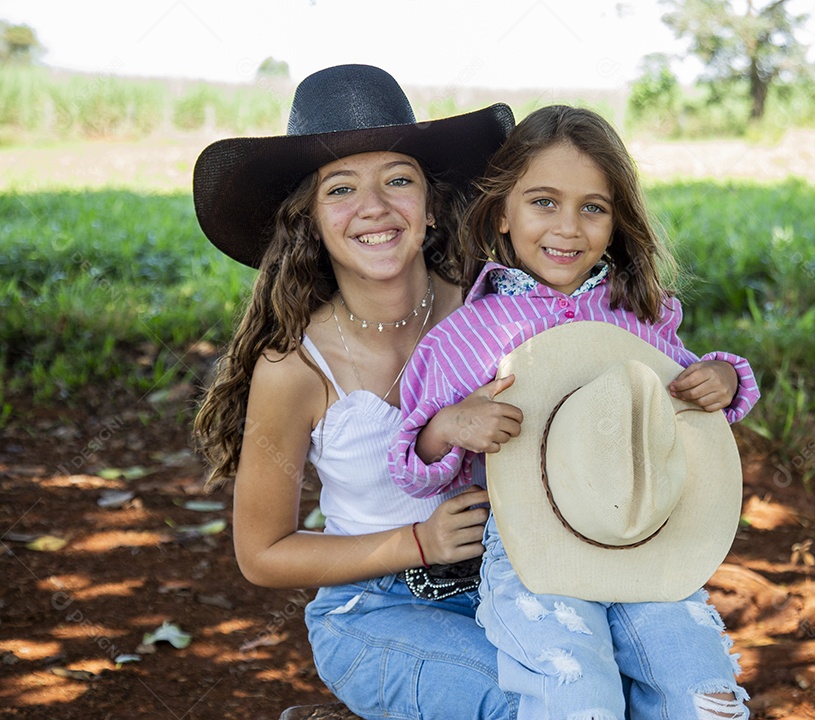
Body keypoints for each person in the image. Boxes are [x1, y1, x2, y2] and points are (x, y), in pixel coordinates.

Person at [390, 105, 757, 719]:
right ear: (502, 213)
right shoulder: (466, 336)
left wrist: (723, 377)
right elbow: (410, 466)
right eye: (543, 202)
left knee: (702, 690)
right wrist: (450, 426)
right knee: (576, 690)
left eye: (593, 207)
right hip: (528, 550)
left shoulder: (638, 314)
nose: (568, 227)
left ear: (616, 223)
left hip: (642, 533)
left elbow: (687, 396)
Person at [191, 64, 520, 719]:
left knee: (632, 691)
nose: (374, 207)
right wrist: (416, 543)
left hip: (515, 587)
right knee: (527, 701)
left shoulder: (495, 311)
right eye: (341, 189)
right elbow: (262, 554)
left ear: (431, 206)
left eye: (398, 179)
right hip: (373, 608)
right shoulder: (295, 368)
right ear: (310, 221)